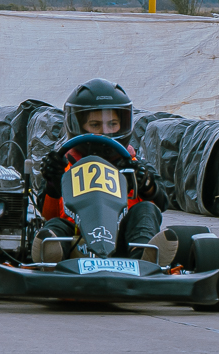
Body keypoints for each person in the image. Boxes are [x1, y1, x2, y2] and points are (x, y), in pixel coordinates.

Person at [35, 79, 166, 258]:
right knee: (56, 225)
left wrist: (145, 183)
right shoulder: (64, 163)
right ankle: (51, 253)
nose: (105, 131)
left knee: (146, 211)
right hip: (76, 241)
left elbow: (162, 204)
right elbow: (47, 215)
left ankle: (143, 256)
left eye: (112, 124)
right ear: (79, 126)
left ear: (124, 124)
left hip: (123, 242)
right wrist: (53, 181)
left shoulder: (134, 164)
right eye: (95, 125)